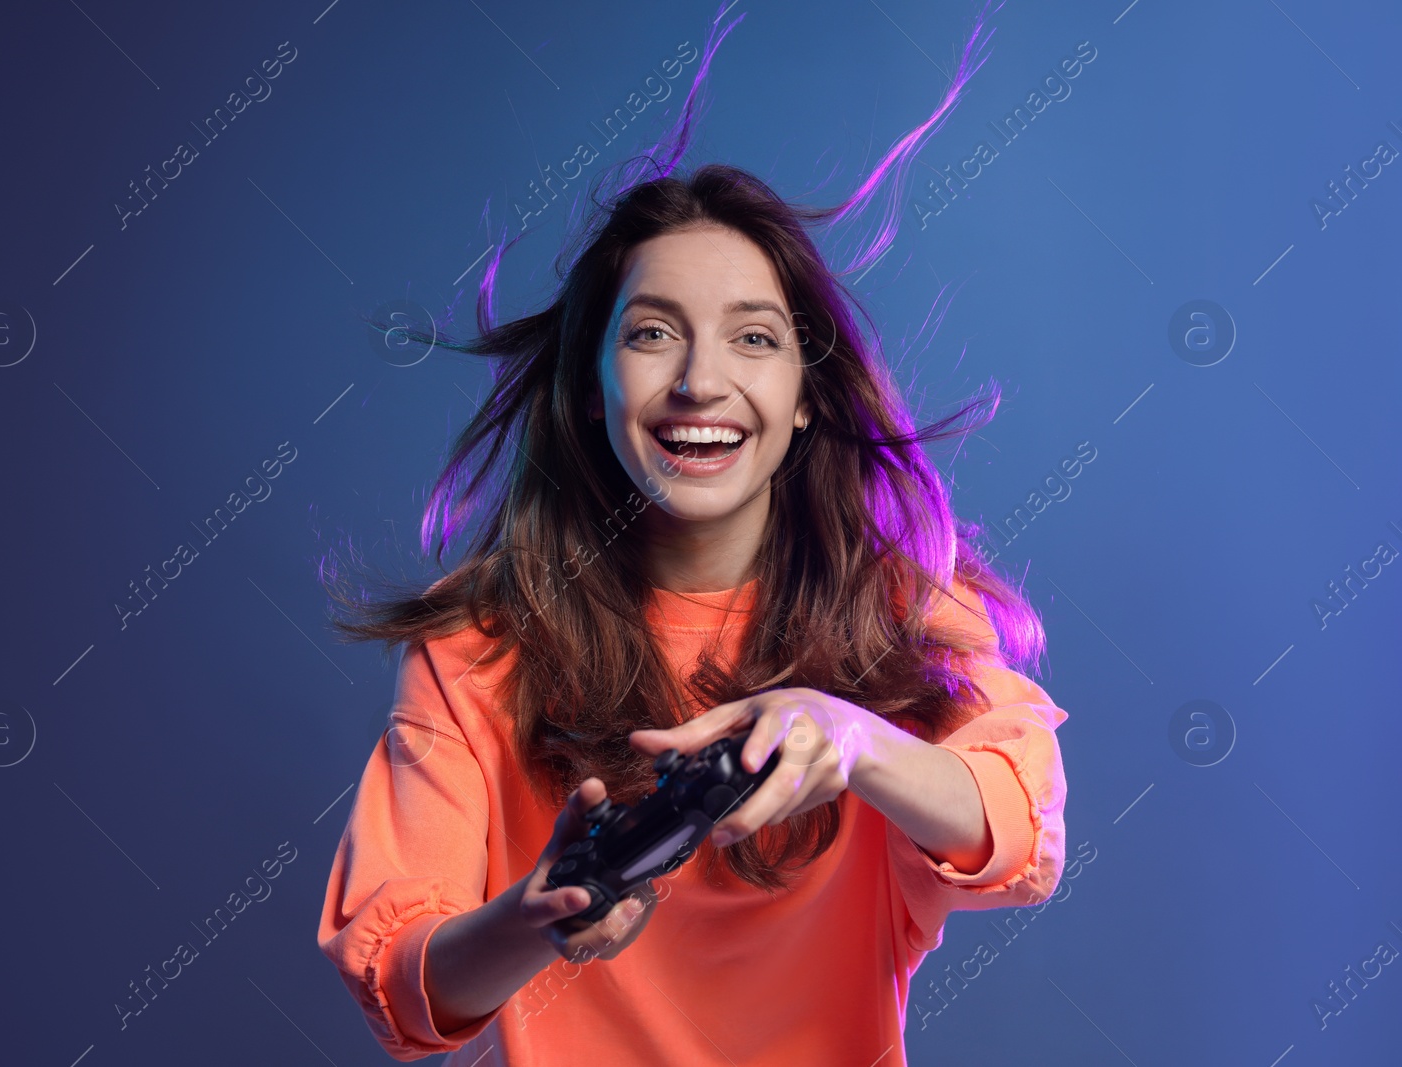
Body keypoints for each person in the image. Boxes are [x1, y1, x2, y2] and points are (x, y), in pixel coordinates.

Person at [317, 4, 1065, 1063]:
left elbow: (1021, 828)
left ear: (806, 393)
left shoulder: (902, 613)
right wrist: (535, 915)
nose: (699, 382)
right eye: (654, 333)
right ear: (591, 384)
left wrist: (855, 739)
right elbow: (400, 981)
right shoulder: (475, 649)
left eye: (753, 339)